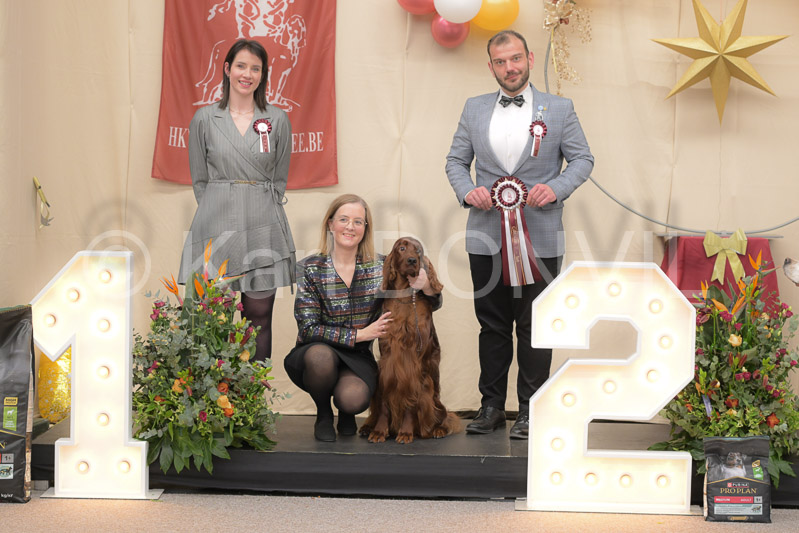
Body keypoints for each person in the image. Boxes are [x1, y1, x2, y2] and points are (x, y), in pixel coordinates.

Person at [445, 30, 594, 439]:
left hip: (540, 235)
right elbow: (456, 161)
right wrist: (467, 190)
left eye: (515, 59)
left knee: (535, 326)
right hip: (485, 235)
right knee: (492, 325)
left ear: (529, 57)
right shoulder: (474, 108)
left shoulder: (559, 108)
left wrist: (556, 188)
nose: (509, 68)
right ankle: (491, 406)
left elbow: (583, 159)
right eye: (500, 62)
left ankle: (531, 409)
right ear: (490, 66)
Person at [284, 194, 439, 442]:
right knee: (320, 357)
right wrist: (360, 334)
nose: (350, 227)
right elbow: (308, 328)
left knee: (353, 398)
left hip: (357, 357)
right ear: (330, 224)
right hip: (316, 352)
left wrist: (426, 286)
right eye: (343, 219)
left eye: (358, 221)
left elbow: (433, 302)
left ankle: (346, 413)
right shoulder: (309, 267)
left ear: (365, 229)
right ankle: (324, 414)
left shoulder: (381, 266)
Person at [179, 39, 295, 363]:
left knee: (259, 317)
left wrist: (258, 204)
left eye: (256, 68)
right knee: (209, 317)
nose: (248, 74)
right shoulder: (205, 119)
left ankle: (254, 392)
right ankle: (214, 395)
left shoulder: (278, 119)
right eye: (241, 66)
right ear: (228, 69)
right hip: (216, 223)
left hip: (263, 224)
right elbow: (200, 181)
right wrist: (220, 205)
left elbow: (279, 178)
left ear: (263, 75)